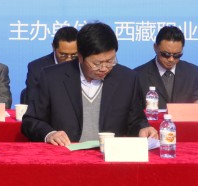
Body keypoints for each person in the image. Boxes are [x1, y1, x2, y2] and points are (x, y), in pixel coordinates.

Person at [22, 22, 157, 145]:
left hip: (109, 156)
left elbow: (136, 121)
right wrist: (50, 134)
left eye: (110, 61)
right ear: (80, 57)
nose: (104, 68)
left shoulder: (127, 78)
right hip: (65, 154)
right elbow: (30, 121)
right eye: (97, 63)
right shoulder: (52, 77)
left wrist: (142, 129)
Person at [134, 26, 198, 108]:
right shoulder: (138, 75)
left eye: (177, 55)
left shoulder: (193, 73)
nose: (171, 59)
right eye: (166, 54)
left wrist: (197, 103)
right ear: (155, 48)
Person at [20, 26, 79, 104]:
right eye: (63, 55)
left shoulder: (85, 66)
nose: (69, 59)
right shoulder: (37, 68)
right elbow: (33, 102)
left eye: (74, 55)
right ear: (53, 47)